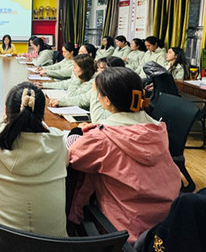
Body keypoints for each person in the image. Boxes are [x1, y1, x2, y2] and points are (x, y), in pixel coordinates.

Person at [67, 67, 179, 243]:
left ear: (107, 100)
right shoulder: (158, 130)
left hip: (126, 230)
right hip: (166, 225)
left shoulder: (102, 138)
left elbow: (73, 156)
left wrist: (76, 133)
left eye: (97, 94)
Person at [0, 82, 68, 237]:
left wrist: (5, 120)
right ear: (42, 114)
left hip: (1, 243)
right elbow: (50, 132)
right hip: (54, 245)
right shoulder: (58, 142)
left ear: (6, 111)